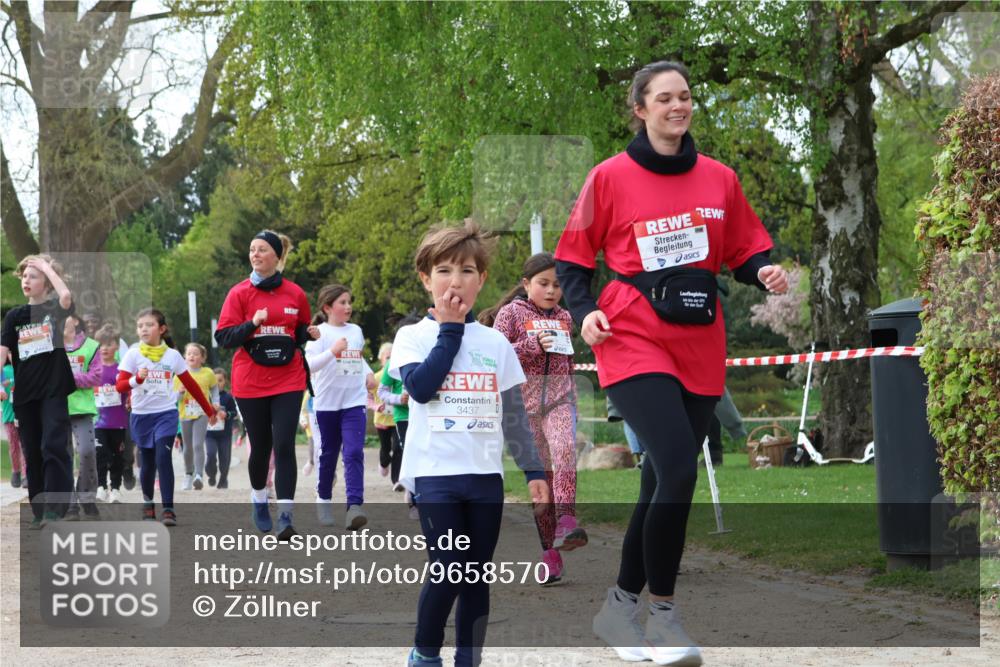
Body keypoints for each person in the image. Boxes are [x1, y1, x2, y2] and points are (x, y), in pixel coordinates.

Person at [554, 61, 788, 665]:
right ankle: (662, 616)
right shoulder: (609, 177)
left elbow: (743, 246)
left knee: (661, 475)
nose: (677, 106)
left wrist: (762, 269)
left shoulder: (719, 178)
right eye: (664, 98)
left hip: (699, 335)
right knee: (680, 464)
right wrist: (582, 312)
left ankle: (619, 610)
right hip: (630, 331)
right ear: (641, 108)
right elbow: (574, 261)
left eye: (685, 97)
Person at [390, 220, 550, 667]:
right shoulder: (413, 336)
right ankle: (425, 653)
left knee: (476, 576)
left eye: (466, 271)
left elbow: (514, 413)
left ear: (481, 280)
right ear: (425, 279)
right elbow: (420, 388)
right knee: (448, 569)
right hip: (435, 474)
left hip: (484, 478)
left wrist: (534, 470)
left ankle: (468, 659)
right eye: (443, 270)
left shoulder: (496, 342)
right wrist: (450, 329)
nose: (454, 281)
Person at [481, 251, 587, 586]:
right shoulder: (510, 314)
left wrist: (574, 401)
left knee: (565, 448)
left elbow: (566, 362)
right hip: (523, 409)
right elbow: (494, 357)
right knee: (542, 487)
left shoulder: (566, 318)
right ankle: (550, 554)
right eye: (543, 283)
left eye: (557, 284)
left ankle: (568, 521)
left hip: (559, 400)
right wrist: (530, 345)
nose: (551, 290)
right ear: (527, 284)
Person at [215, 230, 317, 541]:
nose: (255, 255)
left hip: (288, 377)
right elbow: (223, 338)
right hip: (250, 381)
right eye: (252, 249)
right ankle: (259, 498)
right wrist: (252, 324)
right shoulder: (239, 293)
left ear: (276, 256)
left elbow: (296, 332)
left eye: (262, 250)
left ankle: (286, 517)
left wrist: (307, 333)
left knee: (284, 444)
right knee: (261, 446)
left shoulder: (295, 294)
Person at [116, 309, 217, 525]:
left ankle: (169, 509)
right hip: (141, 416)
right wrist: (136, 380)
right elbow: (120, 385)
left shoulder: (172, 356)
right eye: (140, 325)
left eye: (149, 325)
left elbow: (190, 384)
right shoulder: (133, 355)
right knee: (148, 462)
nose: (144, 329)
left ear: (161, 329)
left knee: (163, 457)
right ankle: (148, 504)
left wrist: (209, 410)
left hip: (166, 414)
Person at [0, 255, 75, 527]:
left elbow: (66, 295)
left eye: (33, 276)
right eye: (24, 276)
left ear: (46, 281)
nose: (26, 280)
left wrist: (45, 265)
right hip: (26, 393)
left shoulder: (54, 308)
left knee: (52, 444)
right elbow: (2, 353)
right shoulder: (14, 317)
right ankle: (40, 511)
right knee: (32, 450)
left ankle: (56, 508)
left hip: (54, 388)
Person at [305, 284, 376, 530]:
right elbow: (309, 366)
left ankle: (354, 506)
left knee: (354, 452)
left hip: (354, 401)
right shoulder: (318, 333)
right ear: (327, 307)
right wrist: (333, 352)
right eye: (342, 303)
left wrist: (368, 373)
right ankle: (323, 498)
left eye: (349, 302)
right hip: (326, 403)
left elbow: (358, 357)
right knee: (328, 455)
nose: (348, 307)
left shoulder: (355, 331)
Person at [379, 314, 421, 518]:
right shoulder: (393, 363)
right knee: (407, 451)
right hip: (403, 417)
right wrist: (399, 399)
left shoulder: (429, 358)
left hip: (425, 415)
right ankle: (411, 496)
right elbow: (382, 392)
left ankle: (417, 493)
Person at [63, 312, 103, 519]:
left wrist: (69, 379)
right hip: (56, 409)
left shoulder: (91, 346)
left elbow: (96, 376)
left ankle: (87, 497)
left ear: (75, 321)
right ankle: (71, 506)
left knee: (87, 452)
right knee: (64, 457)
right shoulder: (50, 347)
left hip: (82, 409)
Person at [174, 342, 219, 491]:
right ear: (185, 357)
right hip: (185, 414)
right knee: (187, 447)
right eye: (189, 353)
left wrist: (216, 402)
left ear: (202, 358)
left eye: (195, 353)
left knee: (198, 444)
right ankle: (188, 474)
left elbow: (214, 388)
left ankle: (199, 476)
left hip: (202, 413)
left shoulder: (208, 373)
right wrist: (180, 392)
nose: (192, 356)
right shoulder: (179, 375)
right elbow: (174, 399)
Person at [93, 324, 129, 503]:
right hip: (98, 421)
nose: (105, 348)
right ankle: (100, 487)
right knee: (100, 454)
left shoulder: (122, 370)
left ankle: (115, 488)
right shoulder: (93, 370)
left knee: (117, 456)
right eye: (101, 344)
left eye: (109, 344)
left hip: (118, 420)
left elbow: (130, 389)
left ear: (117, 346)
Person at [372, 342, 401, 485]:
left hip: (396, 418)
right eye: (387, 357)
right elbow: (367, 396)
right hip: (382, 420)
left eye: (393, 357)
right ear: (381, 359)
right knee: (385, 450)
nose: (390, 360)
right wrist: (375, 406)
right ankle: (383, 463)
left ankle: (396, 481)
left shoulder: (399, 377)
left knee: (398, 448)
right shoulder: (376, 377)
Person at [205, 367, 238, 489]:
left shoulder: (228, 397)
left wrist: (227, 414)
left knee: (225, 459)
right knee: (211, 454)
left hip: (225, 434)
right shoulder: (206, 396)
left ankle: (223, 480)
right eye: (215, 380)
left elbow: (235, 413)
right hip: (210, 434)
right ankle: (211, 474)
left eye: (220, 380)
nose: (218, 383)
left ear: (225, 382)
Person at [1, 362, 26, 488]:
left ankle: (26, 474)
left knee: (25, 444)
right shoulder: (3, 370)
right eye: (9, 351)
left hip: (24, 413)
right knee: (13, 444)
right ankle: (16, 471)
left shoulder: (24, 367)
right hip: (8, 414)